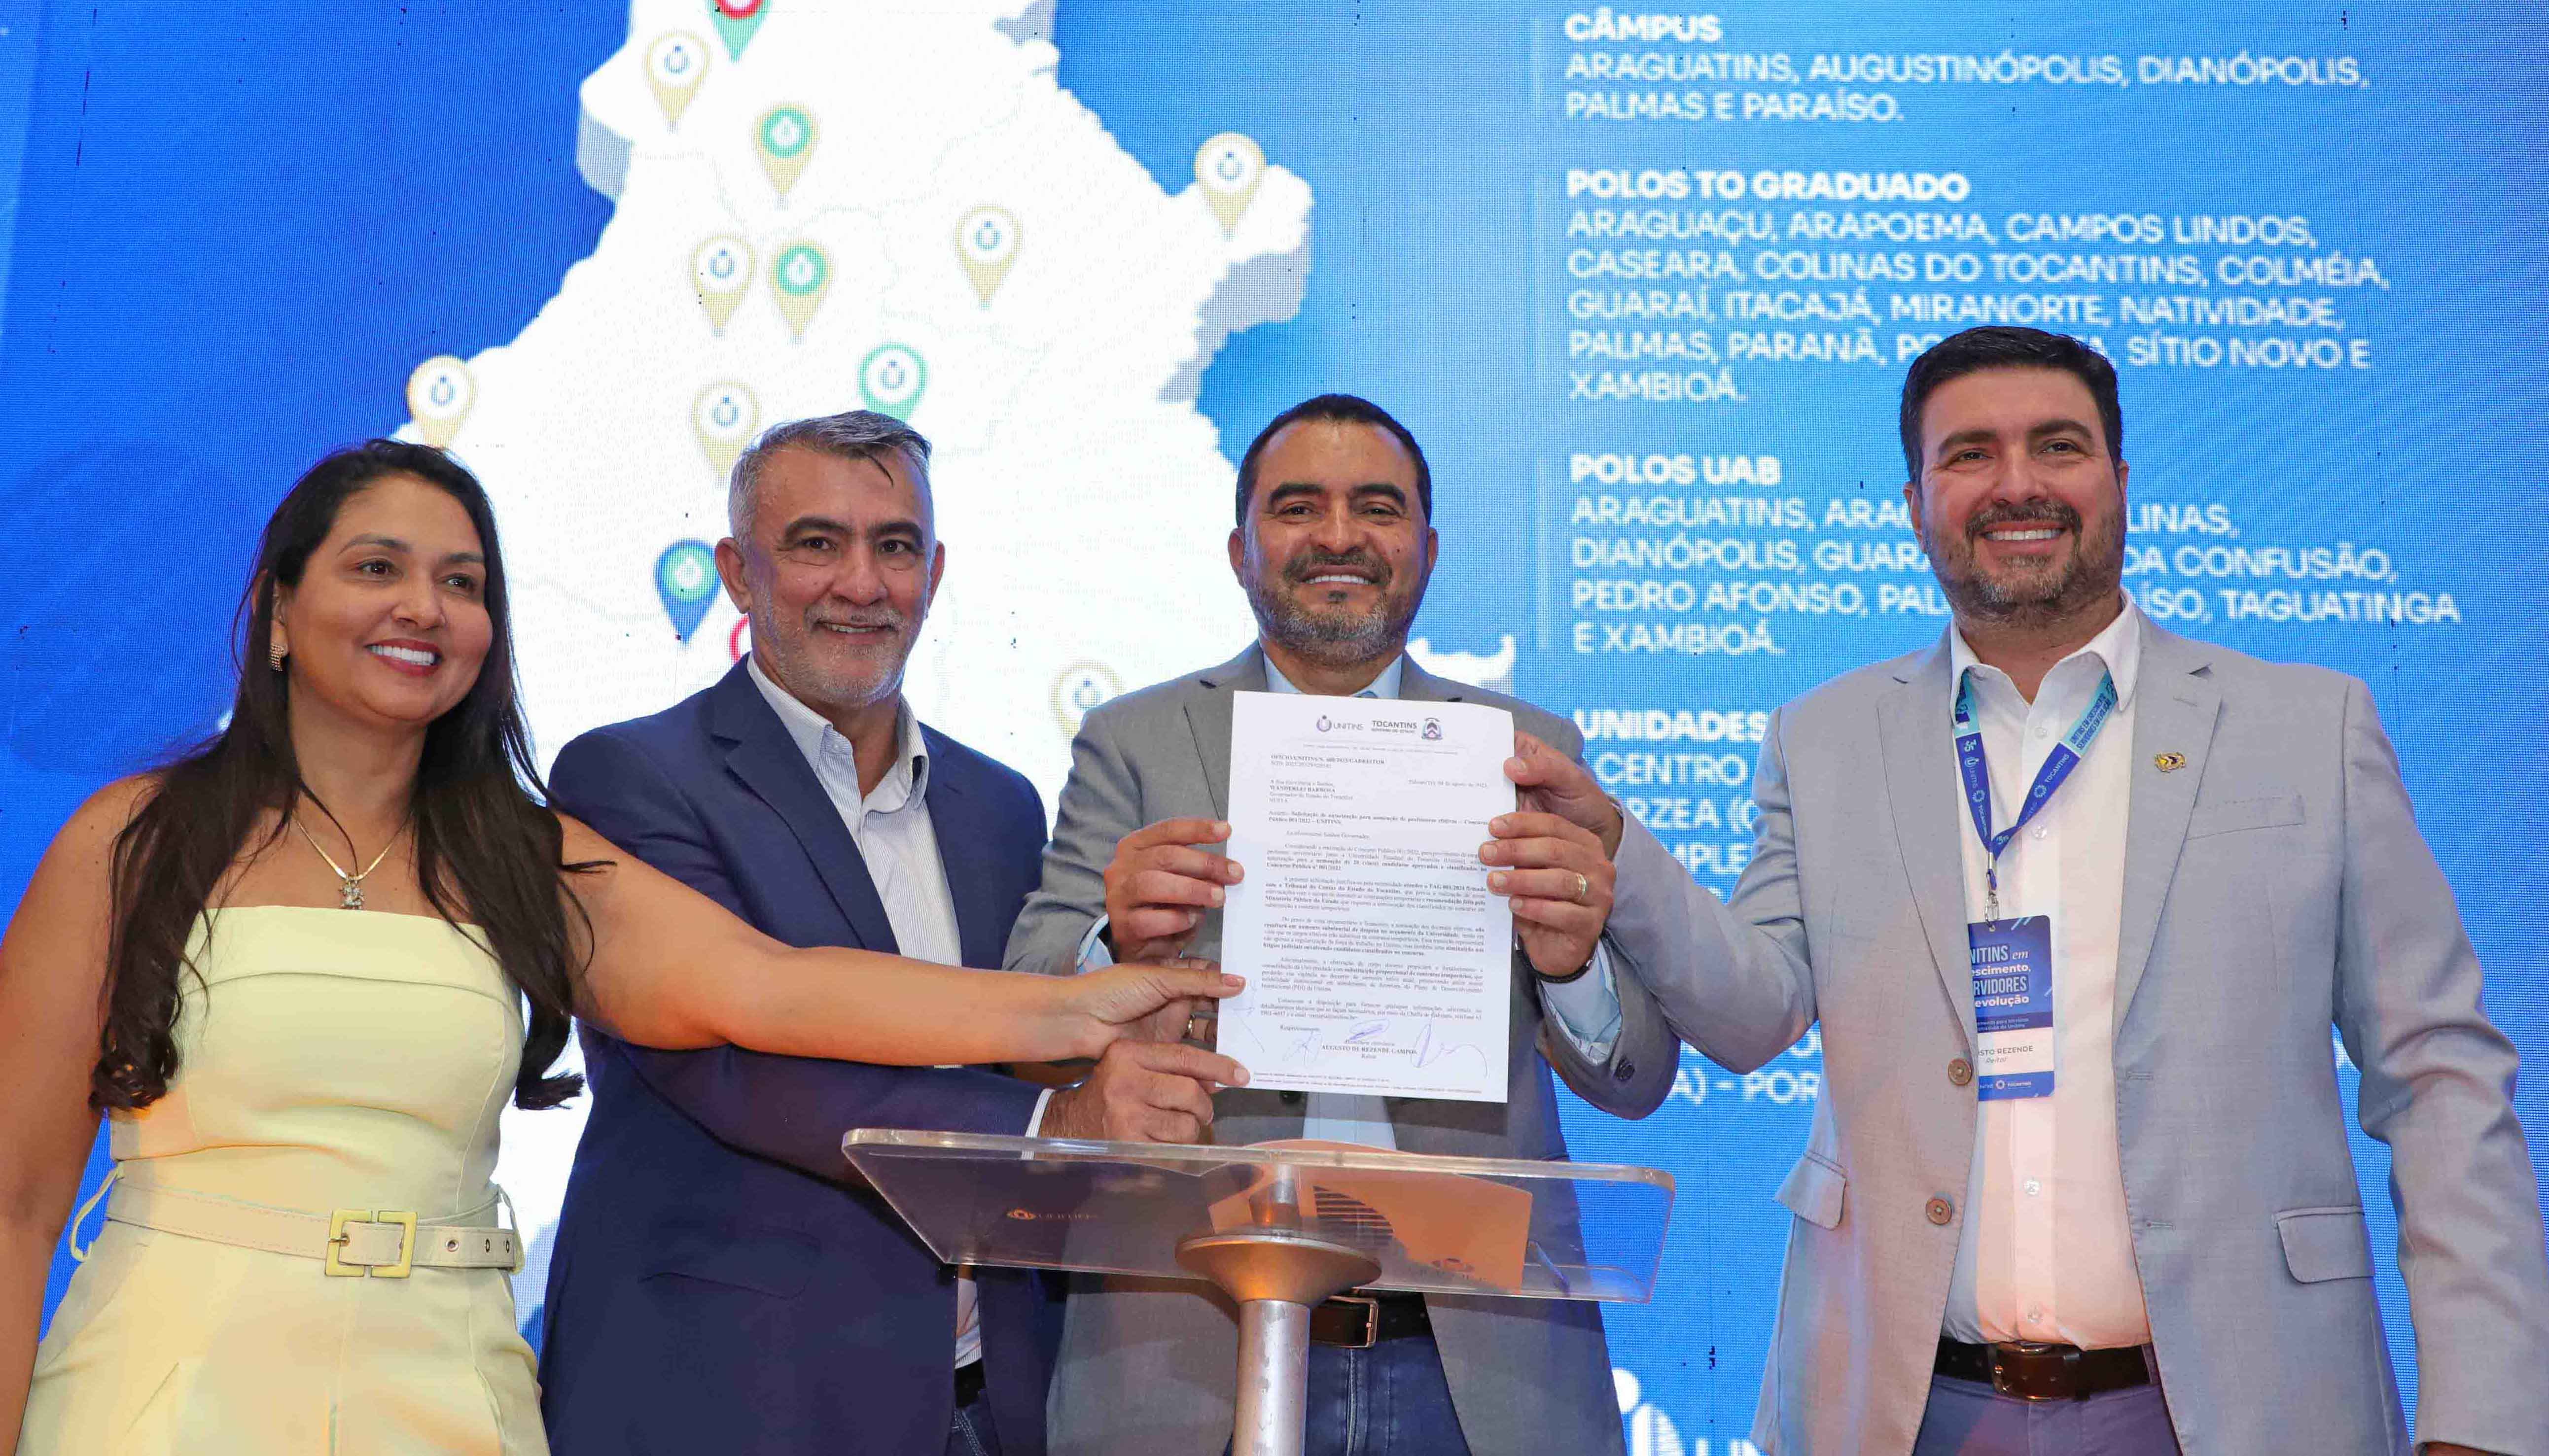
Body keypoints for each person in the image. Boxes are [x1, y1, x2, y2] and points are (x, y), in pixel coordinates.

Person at [0, 440, 1243, 1456]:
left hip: (438, 1389)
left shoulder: (522, 853)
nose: (422, 608)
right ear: (280, 608)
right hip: (171, 1378)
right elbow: (13, 1203)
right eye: (376, 567)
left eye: (462, 582)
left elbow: (766, 986)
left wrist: (1074, 1008)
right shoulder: (132, 839)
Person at [1531, 327, 2549, 1454]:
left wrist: (2485, 1418)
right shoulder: (1823, 738)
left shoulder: (2307, 727)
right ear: (1913, 502)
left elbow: (2439, 1077)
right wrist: (1617, 850)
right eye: (1968, 454)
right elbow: (1751, 1011)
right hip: (1904, 1408)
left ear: (2118, 481)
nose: (2015, 483)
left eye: (2056, 446)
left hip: (2240, 1406)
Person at [535, 412, 1237, 1456]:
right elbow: (740, 1072)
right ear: (736, 571)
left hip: (984, 1399)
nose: (861, 583)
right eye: (816, 543)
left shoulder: (997, 804)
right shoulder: (631, 778)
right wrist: (1054, 1122)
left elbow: (1006, 1034)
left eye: (895, 545)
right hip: (736, 1395)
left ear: (934, 573)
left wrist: (1129, 974)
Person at [1004, 393, 1682, 1456]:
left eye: (1376, 507)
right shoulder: (1133, 740)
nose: (1337, 536)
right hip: (1191, 1352)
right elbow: (1024, 1012)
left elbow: (1636, 1078)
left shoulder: (1524, 747)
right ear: (1240, 548)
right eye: (1296, 507)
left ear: (1428, 549)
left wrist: (1569, 969)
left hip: (1474, 1365)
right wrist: (1115, 943)